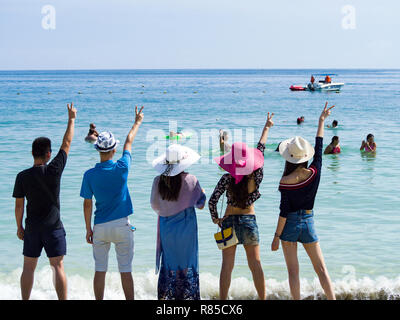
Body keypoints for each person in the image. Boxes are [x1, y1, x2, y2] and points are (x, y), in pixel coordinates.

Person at [271, 102, 336, 300]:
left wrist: (276, 236)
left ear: (288, 159)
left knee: (293, 273)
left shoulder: (285, 182)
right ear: (305, 157)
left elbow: (284, 211)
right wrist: (321, 120)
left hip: (289, 226)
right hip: (308, 223)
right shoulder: (314, 172)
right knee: (322, 270)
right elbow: (319, 145)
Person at [12, 103, 77, 300]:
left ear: (33, 153)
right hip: (53, 227)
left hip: (32, 227)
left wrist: (19, 227)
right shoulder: (54, 169)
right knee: (57, 266)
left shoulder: (22, 176)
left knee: (28, 268)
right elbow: (66, 143)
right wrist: (72, 119)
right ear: (48, 154)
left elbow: (19, 206)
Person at [80, 106, 144, 300]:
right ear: (114, 150)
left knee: (100, 270)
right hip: (122, 225)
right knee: (126, 270)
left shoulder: (89, 175)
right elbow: (129, 141)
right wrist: (137, 122)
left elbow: (87, 204)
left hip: (100, 226)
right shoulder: (122, 166)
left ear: (97, 149)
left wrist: (88, 229)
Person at [208, 112, 274, 300]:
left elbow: (213, 200)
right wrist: (267, 127)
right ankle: (262, 299)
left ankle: (222, 302)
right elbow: (260, 150)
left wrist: (215, 218)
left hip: (228, 221)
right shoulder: (256, 176)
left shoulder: (227, 178)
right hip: (248, 221)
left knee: (227, 266)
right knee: (255, 264)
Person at [150, 144, 206, 300]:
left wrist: (168, 209)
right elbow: (200, 205)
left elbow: (154, 205)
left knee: (170, 264)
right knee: (187, 263)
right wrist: (202, 194)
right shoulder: (191, 180)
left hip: (167, 230)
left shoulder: (158, 181)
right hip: (187, 231)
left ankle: (169, 297)